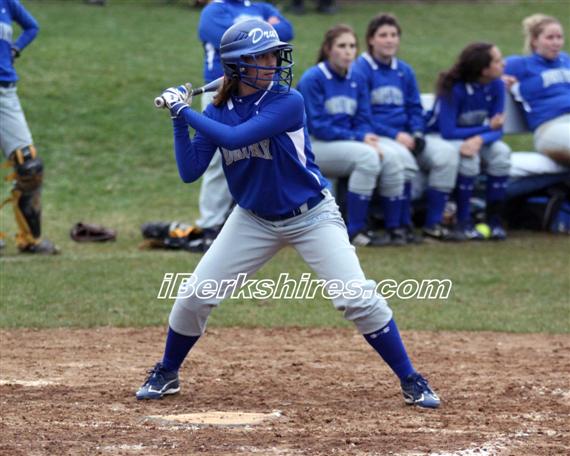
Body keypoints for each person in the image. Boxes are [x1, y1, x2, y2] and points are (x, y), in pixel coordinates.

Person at [136, 19, 440, 409]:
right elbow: (190, 171)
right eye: (260, 57)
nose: (272, 63)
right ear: (237, 65)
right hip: (253, 219)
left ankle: (411, 378)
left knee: (357, 298)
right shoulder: (218, 110)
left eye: (273, 55)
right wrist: (179, 120)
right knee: (195, 295)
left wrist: (184, 108)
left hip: (312, 215)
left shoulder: (286, 101)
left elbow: (234, 138)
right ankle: (167, 371)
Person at [193, 0, 294, 251]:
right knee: (219, 160)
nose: (269, 57)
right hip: (221, 91)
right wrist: (264, 28)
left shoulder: (260, 5)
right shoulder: (214, 9)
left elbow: (287, 30)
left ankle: (252, 213)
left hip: (259, 90)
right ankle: (211, 222)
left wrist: (255, 34)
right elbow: (229, 43)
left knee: (259, 151)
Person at [352, 14, 460, 243]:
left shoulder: (404, 70)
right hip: (378, 135)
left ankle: (433, 225)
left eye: (394, 35)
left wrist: (417, 133)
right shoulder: (360, 70)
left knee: (447, 155)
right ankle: (399, 225)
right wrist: (395, 135)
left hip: (407, 135)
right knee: (403, 161)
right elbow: (362, 115)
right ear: (371, 39)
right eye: (383, 35)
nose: (389, 40)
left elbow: (414, 107)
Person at [297, 24, 403, 246]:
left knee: (391, 157)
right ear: (328, 49)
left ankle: (395, 229)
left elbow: (363, 118)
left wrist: (365, 136)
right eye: (342, 46)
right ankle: (355, 231)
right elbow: (318, 127)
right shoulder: (313, 78)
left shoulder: (357, 77)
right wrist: (360, 139)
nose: (348, 52)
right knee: (367, 157)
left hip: (346, 142)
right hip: (313, 146)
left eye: (352, 46)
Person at [429, 42, 511, 240]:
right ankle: (463, 222)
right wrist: (485, 130)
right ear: (483, 70)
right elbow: (448, 131)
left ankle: (494, 221)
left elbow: (498, 129)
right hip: (439, 138)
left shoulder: (497, 85)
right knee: (469, 158)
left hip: (470, 138)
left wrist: (481, 139)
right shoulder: (454, 88)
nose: (504, 64)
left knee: (501, 153)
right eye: (497, 61)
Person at [0, 0, 59, 254]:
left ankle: (29, 239)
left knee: (30, 166)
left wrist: (15, 49)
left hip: (6, 93)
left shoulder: (7, 3)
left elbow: (32, 27)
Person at [504, 14, 570, 166]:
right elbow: (484, 70)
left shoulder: (566, 61)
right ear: (534, 41)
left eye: (559, 37)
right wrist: (498, 79)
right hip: (550, 126)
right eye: (550, 38)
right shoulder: (521, 64)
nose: (556, 42)